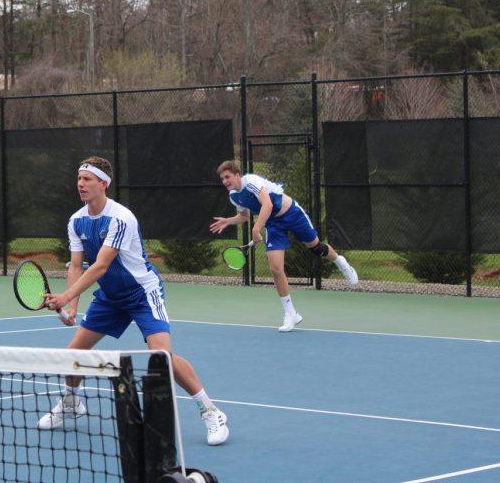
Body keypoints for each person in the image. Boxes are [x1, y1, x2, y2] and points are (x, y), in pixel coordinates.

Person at [40, 156, 229, 446]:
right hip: (110, 298)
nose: (80, 184)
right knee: (72, 355)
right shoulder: (76, 221)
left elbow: (101, 265)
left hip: (142, 293)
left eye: (87, 179)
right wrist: (72, 308)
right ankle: (71, 403)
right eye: (79, 178)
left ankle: (210, 410)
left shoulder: (121, 218)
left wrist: (64, 296)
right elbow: (76, 265)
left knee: (161, 358)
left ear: (103, 183)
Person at [209, 160, 358, 332]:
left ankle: (340, 261)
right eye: (222, 179)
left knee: (316, 248)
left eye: (227, 177)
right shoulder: (234, 196)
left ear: (237, 175)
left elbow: (268, 204)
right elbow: (244, 215)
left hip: (292, 214)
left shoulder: (251, 182)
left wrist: (257, 228)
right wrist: (228, 221)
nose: (225, 181)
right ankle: (290, 313)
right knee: (275, 268)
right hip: (274, 224)